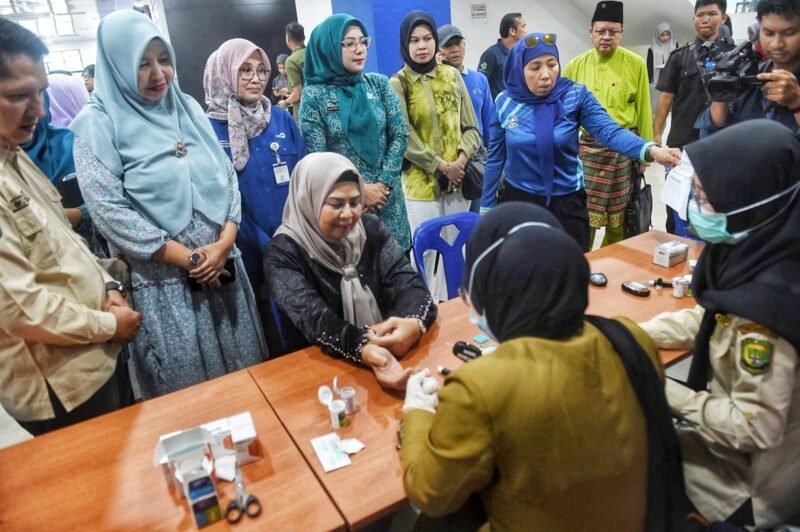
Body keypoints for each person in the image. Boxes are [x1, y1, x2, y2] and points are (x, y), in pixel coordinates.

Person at [400, 202, 686, 531]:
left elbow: (429, 493)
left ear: (498, 294)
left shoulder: (481, 387)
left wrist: (417, 411)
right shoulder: (630, 337)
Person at [70, 10, 267, 399]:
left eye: (164, 60)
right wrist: (191, 260)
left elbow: (227, 176)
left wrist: (225, 242)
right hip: (165, 289)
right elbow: (111, 213)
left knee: (249, 391)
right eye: (142, 63)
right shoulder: (97, 125)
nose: (158, 73)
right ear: (117, 65)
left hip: (224, 272)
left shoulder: (187, 107)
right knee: (190, 404)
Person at [640, 120, 800, 528]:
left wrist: (659, 388)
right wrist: (633, 332)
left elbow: (753, 426)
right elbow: (712, 316)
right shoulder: (760, 250)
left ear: (749, 200)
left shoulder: (766, 315)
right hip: (736, 456)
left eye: (705, 197)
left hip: (745, 488)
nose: (694, 206)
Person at [0, 17, 140, 436]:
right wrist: (110, 324)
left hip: (96, 354)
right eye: (20, 96)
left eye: (41, 93)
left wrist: (110, 288)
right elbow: (18, 308)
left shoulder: (12, 153)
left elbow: (64, 242)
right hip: (62, 384)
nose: (40, 110)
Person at [481, 33, 680, 251]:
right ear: (519, 69)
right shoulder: (505, 102)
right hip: (520, 201)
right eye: (535, 67)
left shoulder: (574, 95)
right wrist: (486, 208)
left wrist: (650, 150)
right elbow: (495, 158)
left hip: (567, 201)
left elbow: (609, 131)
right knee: (526, 271)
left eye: (552, 64)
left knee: (572, 268)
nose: (546, 75)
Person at [265, 152, 437, 389]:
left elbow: (408, 282)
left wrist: (413, 323)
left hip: (390, 354)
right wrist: (364, 348)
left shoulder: (370, 229)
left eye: (355, 202)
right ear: (309, 199)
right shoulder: (284, 253)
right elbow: (316, 320)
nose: (349, 214)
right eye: (336, 204)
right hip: (322, 374)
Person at [203, 38, 306, 352]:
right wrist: (265, 243)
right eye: (245, 69)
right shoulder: (208, 130)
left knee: (301, 331)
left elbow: (303, 178)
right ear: (225, 73)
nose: (256, 77)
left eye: (261, 70)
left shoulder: (280, 118)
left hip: (294, 244)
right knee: (262, 339)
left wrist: (294, 236)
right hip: (242, 251)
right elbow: (218, 200)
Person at [389, 12, 481, 301]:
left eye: (427, 38)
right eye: (414, 40)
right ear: (405, 44)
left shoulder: (452, 76)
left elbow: (471, 127)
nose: (422, 46)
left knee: (458, 250)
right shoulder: (399, 83)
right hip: (421, 186)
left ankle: (456, 310)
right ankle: (427, 313)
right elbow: (403, 136)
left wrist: (460, 162)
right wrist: (440, 165)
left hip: (458, 181)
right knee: (426, 255)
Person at [300, 14, 411, 251]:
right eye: (349, 43)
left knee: (398, 277)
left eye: (362, 42)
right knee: (357, 280)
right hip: (347, 210)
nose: (359, 49)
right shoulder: (315, 96)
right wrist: (361, 191)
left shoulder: (379, 84)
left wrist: (383, 185)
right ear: (329, 47)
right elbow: (317, 158)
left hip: (389, 202)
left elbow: (400, 135)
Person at [563, 1, 653, 249]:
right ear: (590, 31)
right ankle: (582, 266)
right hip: (587, 153)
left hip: (623, 153)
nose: (606, 37)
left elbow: (644, 109)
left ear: (621, 33)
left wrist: (644, 157)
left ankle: (613, 267)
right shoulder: (574, 66)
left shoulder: (635, 64)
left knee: (620, 219)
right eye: (601, 31)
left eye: (613, 32)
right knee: (584, 216)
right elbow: (563, 117)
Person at [654, 0, 733, 233]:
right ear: (693, 19)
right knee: (677, 207)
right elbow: (666, 98)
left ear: (724, 18)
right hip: (682, 144)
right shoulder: (680, 56)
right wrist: (656, 134)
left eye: (712, 14)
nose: (705, 19)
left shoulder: (735, 55)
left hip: (723, 144)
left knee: (718, 206)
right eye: (700, 15)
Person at [704, 0, 800, 133]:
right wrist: (720, 100)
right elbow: (712, 139)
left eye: (789, 33)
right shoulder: (749, 76)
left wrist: (797, 103)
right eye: (769, 33)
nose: (777, 44)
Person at [477, 12, 527, 99]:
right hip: (497, 109)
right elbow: (480, 84)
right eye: (523, 27)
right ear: (512, 31)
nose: (526, 31)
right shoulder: (491, 54)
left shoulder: (521, 53)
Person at [278, 21, 305, 119]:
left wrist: (285, 103)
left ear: (288, 39)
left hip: (304, 112)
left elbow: (298, 94)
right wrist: (289, 90)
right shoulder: (313, 54)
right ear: (304, 37)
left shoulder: (291, 61)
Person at [648, 23, 678, 90]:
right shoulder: (652, 49)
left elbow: (678, 62)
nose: (665, 38)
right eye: (662, 35)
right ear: (657, 35)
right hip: (657, 81)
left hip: (673, 80)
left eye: (667, 35)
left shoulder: (674, 44)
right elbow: (649, 69)